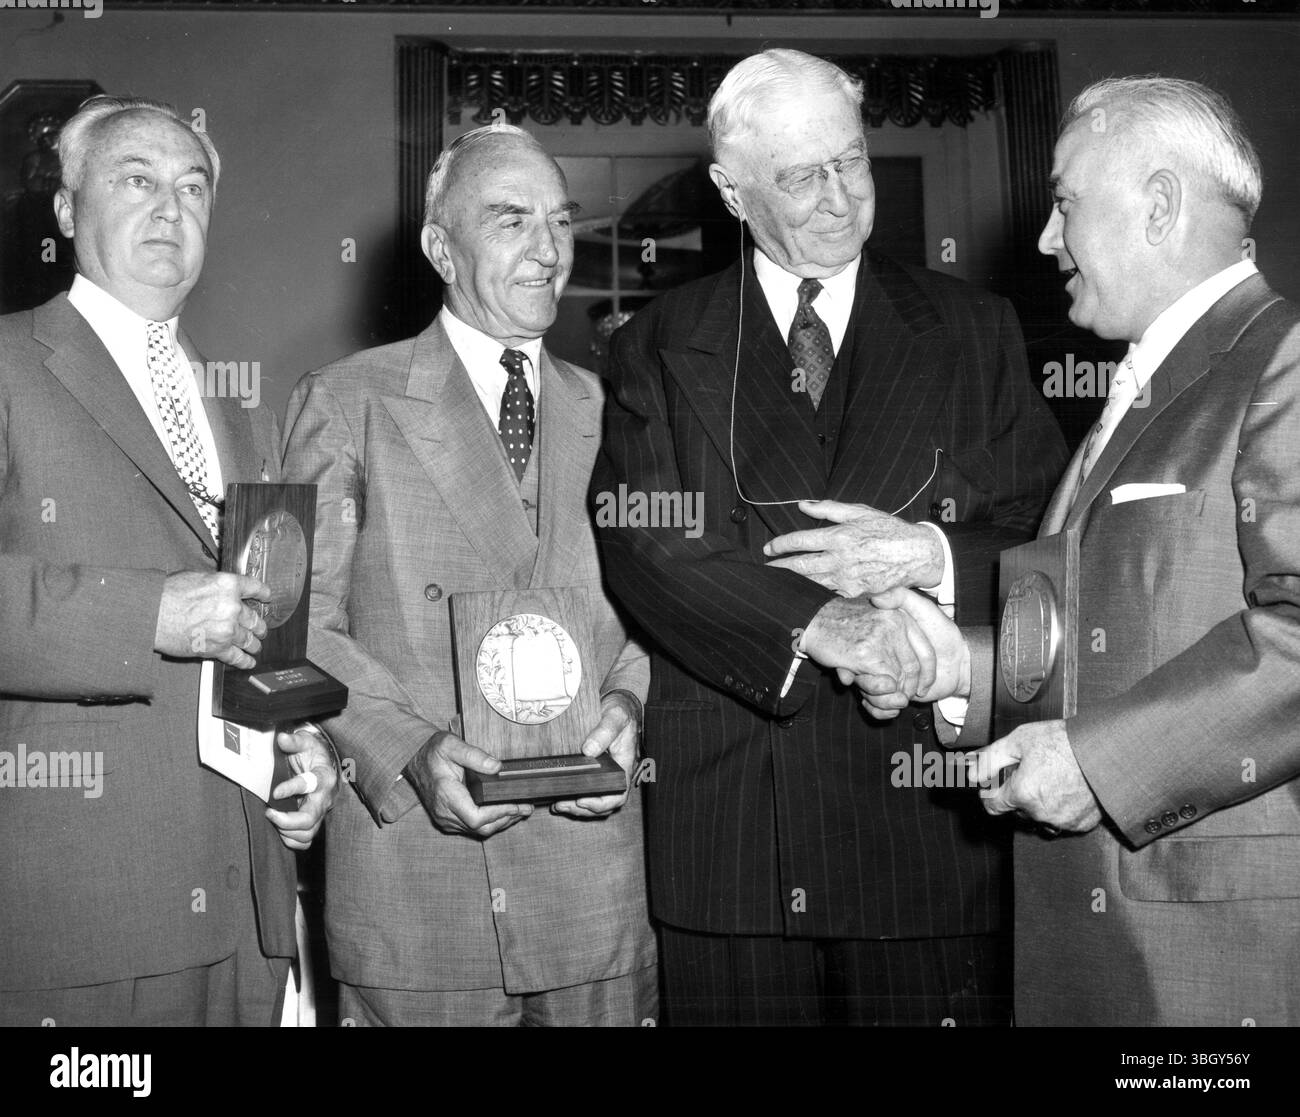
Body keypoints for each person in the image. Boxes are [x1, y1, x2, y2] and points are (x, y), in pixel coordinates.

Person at [592, 48, 1066, 1026]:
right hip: (734, 846)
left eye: (849, 162)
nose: (839, 198)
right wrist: (829, 625)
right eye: (800, 176)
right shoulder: (656, 340)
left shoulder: (972, 327)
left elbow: (1046, 532)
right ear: (731, 190)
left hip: (926, 839)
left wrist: (934, 556)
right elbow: (650, 542)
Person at [873, 76, 1300, 1026]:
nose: (1044, 241)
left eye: (1064, 205)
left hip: (1207, 957)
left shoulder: (1285, 361)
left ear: (1157, 206)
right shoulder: (1155, 378)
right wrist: (961, 670)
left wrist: (1101, 765)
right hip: (1108, 944)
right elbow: (1111, 635)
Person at [281, 124, 656, 1027]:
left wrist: (629, 703)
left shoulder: (622, 407)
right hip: (416, 886)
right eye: (511, 220)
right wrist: (408, 754)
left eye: (561, 222)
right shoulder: (338, 399)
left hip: (591, 888)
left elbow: (660, 611)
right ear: (440, 248)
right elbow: (286, 624)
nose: (549, 250)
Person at [0, 96, 336, 1026]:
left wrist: (303, 753)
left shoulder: (240, 410)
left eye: (193, 188)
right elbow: (175, 612)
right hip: (80, 922)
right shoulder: (7, 364)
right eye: (137, 180)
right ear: (67, 212)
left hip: (246, 911)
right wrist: (146, 615)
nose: (171, 207)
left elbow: (265, 640)